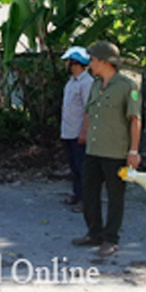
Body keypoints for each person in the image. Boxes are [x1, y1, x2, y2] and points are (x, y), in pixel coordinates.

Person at [71, 41, 142, 257]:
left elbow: (135, 119)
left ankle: (111, 239)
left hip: (115, 152)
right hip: (93, 149)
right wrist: (83, 133)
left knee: (115, 197)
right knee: (89, 192)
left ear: (104, 61)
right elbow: (89, 112)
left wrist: (133, 151)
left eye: (92, 60)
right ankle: (94, 233)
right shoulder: (94, 84)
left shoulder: (128, 86)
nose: (90, 64)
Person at [60, 46, 93, 213]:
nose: (66, 64)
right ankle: (76, 194)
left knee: (83, 167)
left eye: (68, 61)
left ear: (75, 63)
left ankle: (85, 200)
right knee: (74, 166)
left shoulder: (87, 83)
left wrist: (84, 132)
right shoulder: (71, 82)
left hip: (79, 132)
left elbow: (89, 109)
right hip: (69, 130)